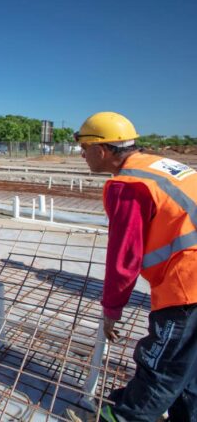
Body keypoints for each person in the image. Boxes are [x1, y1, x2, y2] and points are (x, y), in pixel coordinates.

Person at [66, 112, 197, 422]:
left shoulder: (128, 185)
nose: (83, 155)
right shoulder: (162, 167)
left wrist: (111, 310)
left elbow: (123, 257)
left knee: (161, 369)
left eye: (85, 149)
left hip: (186, 286)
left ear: (103, 149)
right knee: (188, 369)